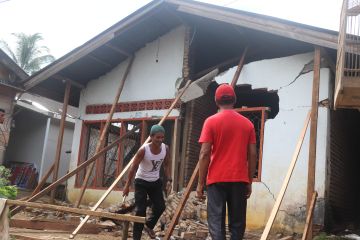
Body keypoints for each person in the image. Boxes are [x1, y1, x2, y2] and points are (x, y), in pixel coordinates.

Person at [196, 83, 257, 240]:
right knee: (237, 225)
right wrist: (249, 181)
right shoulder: (247, 124)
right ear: (234, 100)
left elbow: (204, 153)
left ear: (216, 101)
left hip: (216, 180)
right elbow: (252, 154)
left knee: (216, 224)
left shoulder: (210, 122)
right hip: (239, 180)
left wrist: (200, 183)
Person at [123, 124, 172, 240]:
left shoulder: (165, 148)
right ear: (151, 136)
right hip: (141, 182)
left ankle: (149, 226)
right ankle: (136, 238)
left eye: (162, 138)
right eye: (157, 137)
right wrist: (127, 185)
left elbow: (166, 164)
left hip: (155, 182)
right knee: (140, 211)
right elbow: (133, 168)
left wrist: (169, 179)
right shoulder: (143, 150)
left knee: (160, 206)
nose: (160, 140)